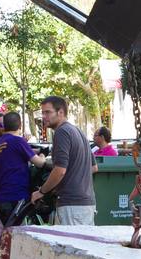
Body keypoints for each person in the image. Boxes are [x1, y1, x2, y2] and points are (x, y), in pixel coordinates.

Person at [31, 96, 96, 225]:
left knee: (69, 245)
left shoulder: (62, 132)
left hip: (71, 206)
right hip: (86, 204)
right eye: (42, 112)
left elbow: (60, 170)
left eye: (48, 112)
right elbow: (94, 167)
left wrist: (41, 191)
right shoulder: (78, 131)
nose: (44, 116)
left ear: (60, 112)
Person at [0, 111, 37, 239]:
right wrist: (41, 156)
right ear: (20, 125)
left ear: (4, 126)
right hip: (16, 197)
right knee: (19, 238)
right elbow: (39, 162)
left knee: (1, 235)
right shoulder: (18, 141)